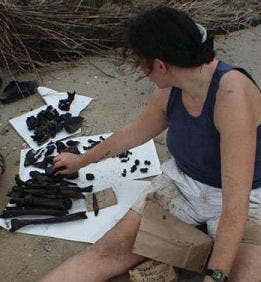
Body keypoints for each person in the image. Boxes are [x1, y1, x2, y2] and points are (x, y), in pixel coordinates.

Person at [41, 6, 261, 282]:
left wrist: (214, 276)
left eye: (142, 63)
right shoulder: (171, 86)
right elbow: (135, 131)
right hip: (185, 184)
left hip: (247, 195)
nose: (143, 72)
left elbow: (235, 206)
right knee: (107, 253)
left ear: (160, 65)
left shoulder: (231, 95)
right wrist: (82, 159)